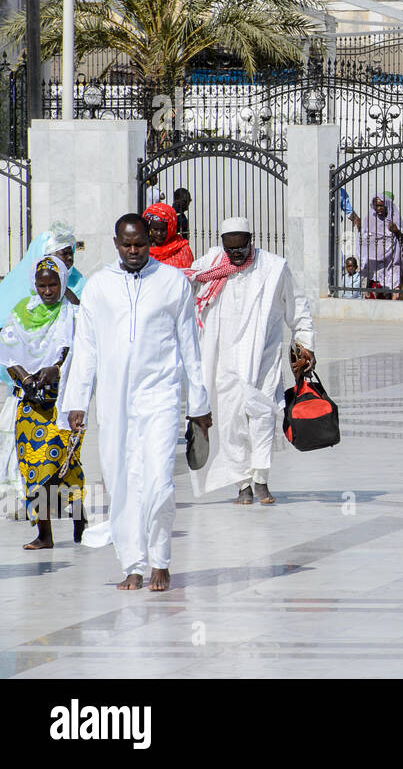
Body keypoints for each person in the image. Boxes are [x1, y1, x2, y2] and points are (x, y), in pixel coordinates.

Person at [61, 214, 211, 592]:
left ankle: (160, 559)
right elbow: (86, 347)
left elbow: (190, 345)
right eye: (126, 244)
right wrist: (77, 400)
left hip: (160, 395)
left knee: (159, 481)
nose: (133, 251)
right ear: (116, 243)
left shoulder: (172, 282)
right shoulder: (99, 286)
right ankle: (133, 564)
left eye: (140, 244)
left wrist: (199, 403)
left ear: (149, 242)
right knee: (121, 481)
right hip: (113, 400)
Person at [187, 217, 315, 505]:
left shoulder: (274, 268)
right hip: (224, 362)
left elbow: (298, 307)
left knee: (263, 418)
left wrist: (305, 344)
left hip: (263, 360)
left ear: (251, 240)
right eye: (230, 248)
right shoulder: (209, 266)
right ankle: (242, 484)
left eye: (241, 247)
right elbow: (180, 288)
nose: (235, 254)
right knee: (230, 423)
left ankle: (261, 480)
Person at [0, 255, 84, 549]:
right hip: (29, 402)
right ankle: (44, 533)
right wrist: (24, 377)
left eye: (53, 285)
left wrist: (55, 370)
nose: (48, 291)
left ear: (63, 283)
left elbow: (76, 351)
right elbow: (7, 350)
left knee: (62, 463)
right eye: (42, 285)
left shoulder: (72, 314)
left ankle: (79, 518)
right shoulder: (22, 311)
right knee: (33, 467)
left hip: (63, 402)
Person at [353, 194, 403, 298]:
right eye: (376, 206)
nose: (378, 208)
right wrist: (360, 229)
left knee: (394, 293)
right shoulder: (369, 219)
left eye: (381, 206)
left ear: (386, 205)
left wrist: (396, 231)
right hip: (375, 263)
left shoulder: (394, 218)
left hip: (391, 262)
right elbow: (364, 239)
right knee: (374, 294)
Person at [144, 201, 194, 269]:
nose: (159, 234)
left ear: (171, 229)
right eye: (155, 229)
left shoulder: (182, 250)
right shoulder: (142, 248)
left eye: (163, 230)